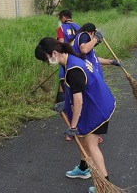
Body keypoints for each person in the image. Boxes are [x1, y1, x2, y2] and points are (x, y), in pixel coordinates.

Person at [35, 37, 116, 193]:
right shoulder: (70, 59)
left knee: (91, 146)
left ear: (53, 53)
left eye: (46, 60)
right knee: (84, 139)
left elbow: (78, 102)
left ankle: (105, 186)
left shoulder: (73, 69)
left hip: (97, 107)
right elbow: (77, 91)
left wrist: (73, 126)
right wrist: (65, 103)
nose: (47, 63)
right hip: (97, 102)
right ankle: (84, 169)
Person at [56, 10, 81, 141]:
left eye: (60, 18)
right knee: (80, 98)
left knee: (68, 98)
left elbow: (60, 44)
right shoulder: (79, 27)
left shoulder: (61, 28)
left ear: (64, 17)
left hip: (66, 64)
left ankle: (71, 130)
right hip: (79, 63)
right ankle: (87, 129)